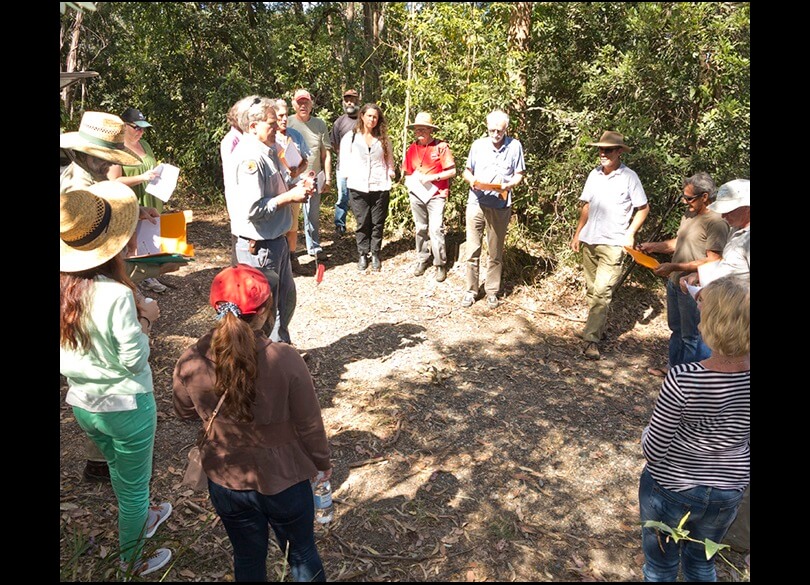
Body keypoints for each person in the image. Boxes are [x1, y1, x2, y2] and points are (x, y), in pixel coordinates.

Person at [173, 264, 332, 582]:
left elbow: (184, 411)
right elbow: (309, 423)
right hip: (285, 476)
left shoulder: (191, 360)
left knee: (247, 555)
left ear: (215, 307)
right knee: (300, 553)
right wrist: (322, 464)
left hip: (226, 476)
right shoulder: (285, 358)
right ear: (265, 312)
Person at [60, 181, 172, 577]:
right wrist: (147, 318)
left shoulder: (66, 289)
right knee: (133, 490)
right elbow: (132, 358)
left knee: (121, 470)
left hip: (84, 403)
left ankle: (143, 513)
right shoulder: (116, 296)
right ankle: (132, 558)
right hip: (128, 404)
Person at [60, 110, 178, 482]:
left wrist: (133, 214)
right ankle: (104, 455)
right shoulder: (73, 191)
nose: (109, 165)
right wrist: (142, 316)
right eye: (105, 159)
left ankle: (102, 455)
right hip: (83, 283)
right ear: (84, 154)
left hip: (94, 280)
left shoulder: (91, 182)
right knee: (97, 357)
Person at [639, 274, 749, 582]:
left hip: (673, 486)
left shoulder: (684, 377)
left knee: (661, 567)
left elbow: (654, 449)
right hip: (728, 490)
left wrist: (645, 434)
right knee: (702, 564)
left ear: (713, 322)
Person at [680, 177, 750, 560]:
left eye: (733, 208)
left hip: (741, 328)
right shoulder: (739, 232)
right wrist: (702, 279)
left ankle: (735, 534)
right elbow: (726, 270)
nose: (727, 215)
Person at [227, 96, 313, 345]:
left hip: (276, 240)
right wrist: (290, 196)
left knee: (283, 301)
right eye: (271, 124)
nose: (277, 129)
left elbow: (277, 188)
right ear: (253, 126)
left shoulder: (269, 149)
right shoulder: (249, 159)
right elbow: (254, 208)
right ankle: (267, 360)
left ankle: (280, 353)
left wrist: (300, 185)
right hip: (260, 246)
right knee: (264, 309)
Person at [637, 172, 729, 376]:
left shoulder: (717, 222)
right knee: (676, 329)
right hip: (675, 282)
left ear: (705, 197)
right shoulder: (689, 214)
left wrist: (674, 267)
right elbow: (680, 242)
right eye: (684, 196)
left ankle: (691, 378)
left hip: (695, 286)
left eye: (689, 198)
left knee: (693, 335)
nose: (684, 201)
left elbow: (714, 260)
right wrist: (655, 247)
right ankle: (673, 369)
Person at [570, 130, 649, 360]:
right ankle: (595, 328)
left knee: (602, 292)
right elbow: (586, 205)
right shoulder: (594, 175)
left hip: (614, 242)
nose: (603, 153)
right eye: (601, 149)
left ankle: (591, 340)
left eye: (608, 150)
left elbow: (643, 208)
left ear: (619, 152)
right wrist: (578, 234)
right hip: (590, 240)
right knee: (592, 290)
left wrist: (630, 234)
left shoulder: (629, 177)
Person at [460, 109, 526, 308]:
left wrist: (510, 185)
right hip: (476, 202)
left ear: (506, 129)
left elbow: (519, 174)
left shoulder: (515, 146)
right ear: (486, 129)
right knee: (472, 249)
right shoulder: (478, 145)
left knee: (495, 252)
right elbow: (466, 171)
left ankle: (491, 291)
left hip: (500, 205)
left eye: (499, 131)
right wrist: (472, 180)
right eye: (491, 131)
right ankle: (471, 291)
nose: (495, 135)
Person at [107, 107, 167, 293]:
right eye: (136, 128)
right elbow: (113, 181)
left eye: (143, 128)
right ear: (124, 126)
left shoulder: (145, 145)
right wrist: (142, 178)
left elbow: (152, 168)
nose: (140, 132)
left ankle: (150, 277)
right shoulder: (118, 150)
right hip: (131, 201)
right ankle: (133, 280)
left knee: (150, 239)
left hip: (151, 197)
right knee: (132, 243)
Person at [340, 102, 396, 271]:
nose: (372, 119)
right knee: (362, 222)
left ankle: (376, 253)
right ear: (362, 116)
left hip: (380, 185)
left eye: (375, 117)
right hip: (358, 185)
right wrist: (348, 177)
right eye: (369, 116)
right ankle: (363, 253)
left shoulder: (383, 139)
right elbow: (344, 160)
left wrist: (391, 174)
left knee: (378, 222)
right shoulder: (351, 137)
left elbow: (389, 161)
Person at [403, 111, 456, 282]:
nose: (420, 133)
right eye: (417, 130)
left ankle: (440, 263)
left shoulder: (441, 147)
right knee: (420, 227)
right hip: (417, 193)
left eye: (423, 129)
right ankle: (422, 259)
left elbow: (452, 171)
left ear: (430, 130)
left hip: (436, 194)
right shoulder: (412, 148)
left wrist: (433, 178)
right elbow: (407, 172)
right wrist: (409, 181)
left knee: (436, 228)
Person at [287, 89, 332, 263]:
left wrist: (327, 178)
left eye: (306, 102)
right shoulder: (288, 122)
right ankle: (289, 251)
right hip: (293, 179)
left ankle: (313, 247)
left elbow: (325, 153)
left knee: (312, 215)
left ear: (312, 104)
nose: (303, 105)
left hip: (314, 178)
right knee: (290, 217)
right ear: (294, 104)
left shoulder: (320, 124)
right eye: (299, 102)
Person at [273, 98, 312, 274]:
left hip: (294, 185)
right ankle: (278, 261)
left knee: (293, 224)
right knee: (277, 224)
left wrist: (299, 170)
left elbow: (305, 160)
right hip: (275, 188)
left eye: (285, 115)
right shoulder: (268, 136)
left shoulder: (295, 135)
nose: (283, 119)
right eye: (280, 115)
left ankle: (292, 257)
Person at [222, 95, 260, 266]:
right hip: (240, 202)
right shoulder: (232, 140)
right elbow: (233, 177)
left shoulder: (245, 138)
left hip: (249, 202)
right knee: (241, 248)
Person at [330, 88, 361, 237]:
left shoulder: (364, 120)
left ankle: (360, 226)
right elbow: (334, 145)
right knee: (342, 196)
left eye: (352, 99)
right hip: (343, 167)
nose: (349, 102)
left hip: (361, 167)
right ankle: (340, 226)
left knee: (359, 197)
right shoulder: (339, 122)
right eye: (347, 99)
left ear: (357, 100)